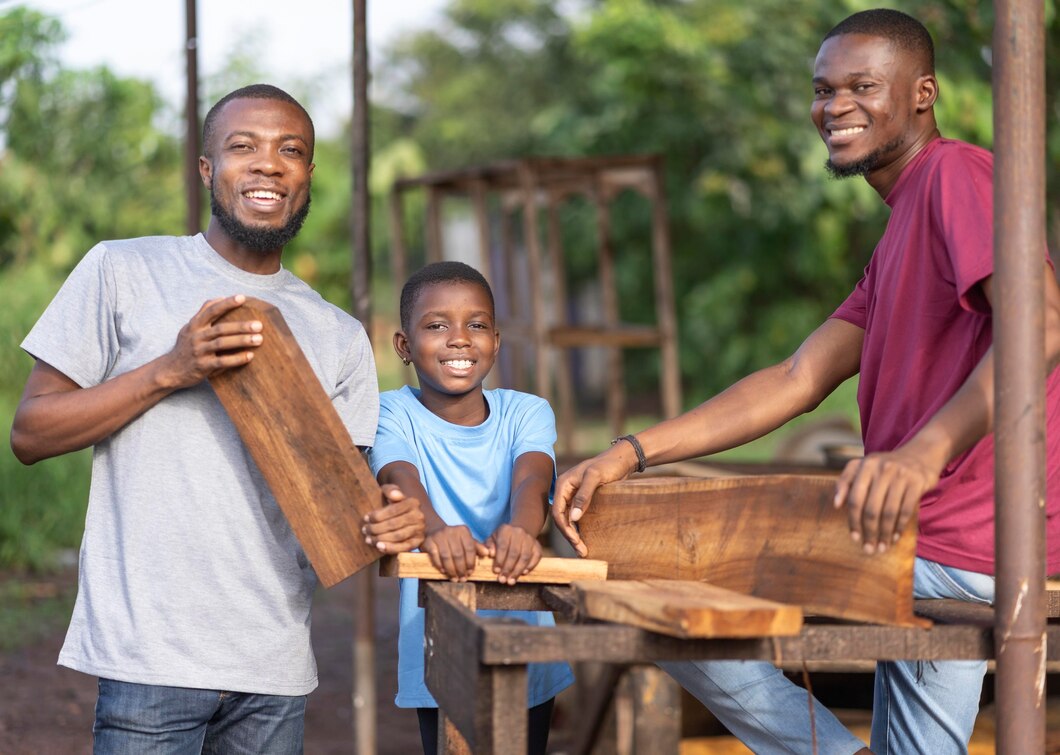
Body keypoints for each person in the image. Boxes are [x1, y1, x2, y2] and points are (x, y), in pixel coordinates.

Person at [552, 9, 1060, 755]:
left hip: (963, 543)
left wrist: (919, 456)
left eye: (862, 85)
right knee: (635, 580)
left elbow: (1041, 322)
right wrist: (629, 451)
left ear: (923, 94)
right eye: (824, 89)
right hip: (915, 532)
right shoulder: (898, 236)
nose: (835, 106)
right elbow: (795, 378)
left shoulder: (958, 174)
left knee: (631, 574)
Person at [9, 83, 426, 753]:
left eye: (290, 150)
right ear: (208, 170)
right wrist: (169, 369)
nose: (268, 163)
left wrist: (391, 517)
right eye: (243, 147)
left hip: (274, 667)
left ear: (307, 176)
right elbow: (30, 432)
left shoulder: (339, 334)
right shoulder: (123, 271)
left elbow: (342, 510)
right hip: (150, 661)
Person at [368, 260, 574, 755]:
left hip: (525, 636)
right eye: (437, 326)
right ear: (404, 346)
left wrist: (523, 530)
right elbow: (399, 476)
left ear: (496, 342)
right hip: (435, 640)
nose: (459, 339)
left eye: (476, 325)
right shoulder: (389, 411)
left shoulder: (526, 410)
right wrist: (432, 528)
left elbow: (533, 479)